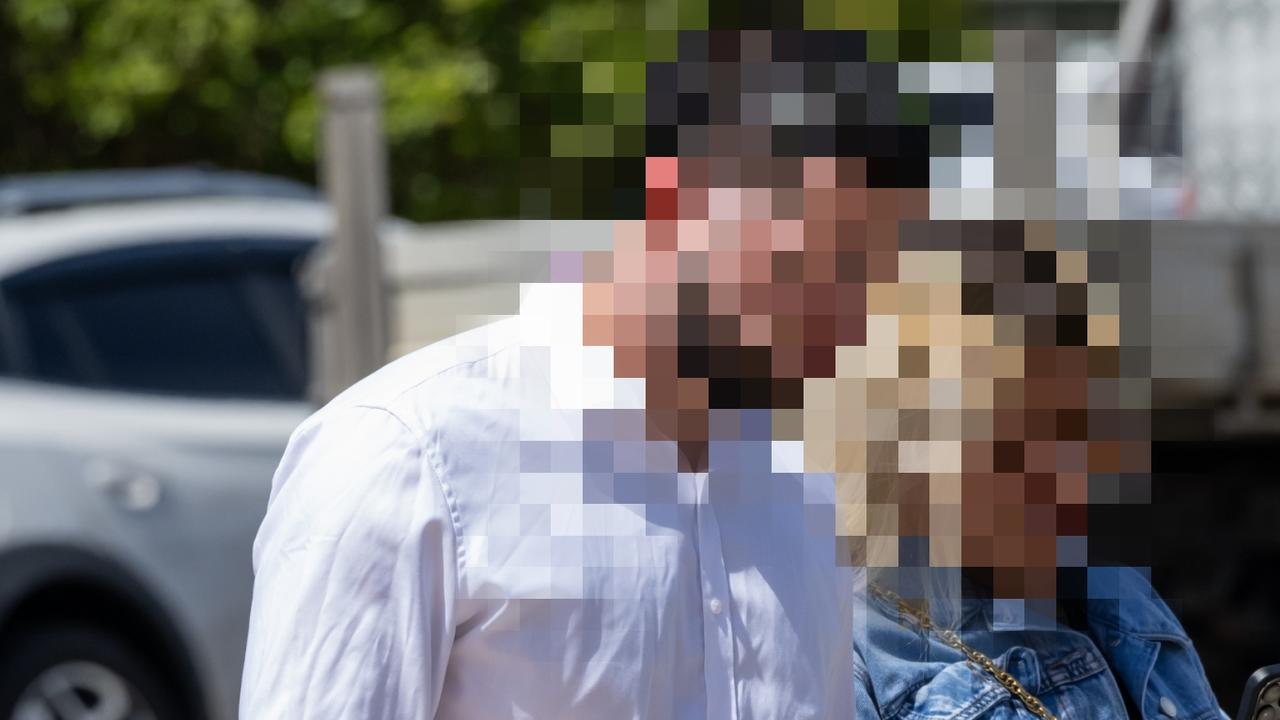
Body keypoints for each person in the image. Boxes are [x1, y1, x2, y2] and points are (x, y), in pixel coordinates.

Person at [241, 19, 1225, 720]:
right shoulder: (409, 458)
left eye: (871, 277)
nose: (850, 323)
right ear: (680, 204)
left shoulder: (803, 495)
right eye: (826, 269)